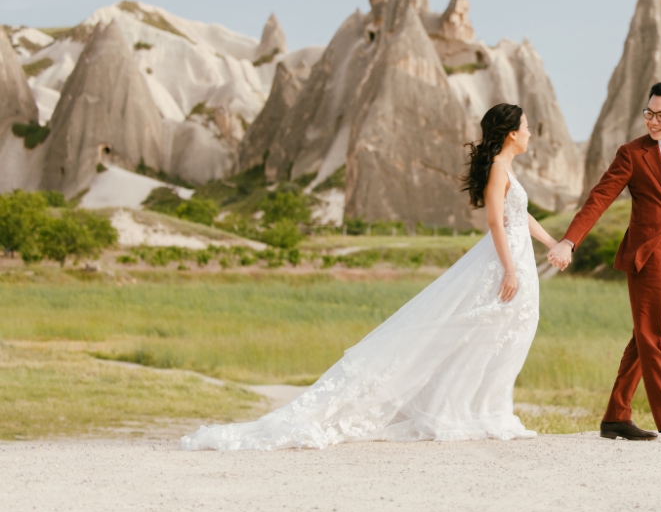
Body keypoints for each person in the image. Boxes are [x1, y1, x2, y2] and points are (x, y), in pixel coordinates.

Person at [181, 103, 562, 450]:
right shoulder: (497, 167)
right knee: (474, 332)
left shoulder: (507, 168)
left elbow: (518, 216)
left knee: (496, 334)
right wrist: (509, 268)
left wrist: (551, 241)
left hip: (518, 256)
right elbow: (495, 220)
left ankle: (483, 410)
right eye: (527, 127)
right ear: (512, 132)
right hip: (502, 262)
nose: (530, 134)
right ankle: (464, 411)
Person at [548, 81, 661, 445]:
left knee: (645, 337)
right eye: (648, 113)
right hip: (648, 254)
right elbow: (600, 198)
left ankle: (616, 417)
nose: (653, 121)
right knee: (656, 338)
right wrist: (569, 241)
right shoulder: (632, 153)